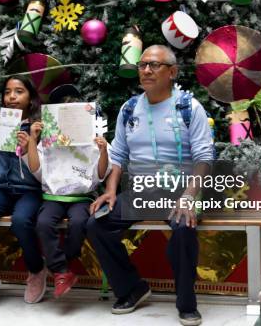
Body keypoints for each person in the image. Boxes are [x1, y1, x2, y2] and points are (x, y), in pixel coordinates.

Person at [86, 45, 214, 326]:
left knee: (183, 228)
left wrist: (189, 197)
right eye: (142, 65)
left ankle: (186, 302)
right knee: (97, 223)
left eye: (154, 65)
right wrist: (110, 190)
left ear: (172, 72)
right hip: (143, 191)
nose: (146, 70)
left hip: (182, 190)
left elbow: (204, 157)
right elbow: (118, 155)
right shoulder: (129, 108)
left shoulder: (189, 108)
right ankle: (132, 287)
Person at [25, 85, 111, 298]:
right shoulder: (47, 141)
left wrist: (102, 151)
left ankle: (60, 264)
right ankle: (61, 271)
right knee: (44, 223)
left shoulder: (93, 138)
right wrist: (33, 140)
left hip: (81, 196)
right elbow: (36, 170)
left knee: (80, 222)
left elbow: (101, 174)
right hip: (53, 195)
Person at [0, 75, 47, 304]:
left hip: (31, 189)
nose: (12, 97)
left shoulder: (40, 125)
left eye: (19, 91)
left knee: (21, 221)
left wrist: (29, 146)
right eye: (7, 92)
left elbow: (47, 168)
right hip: (3, 187)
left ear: (30, 97)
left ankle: (36, 269)